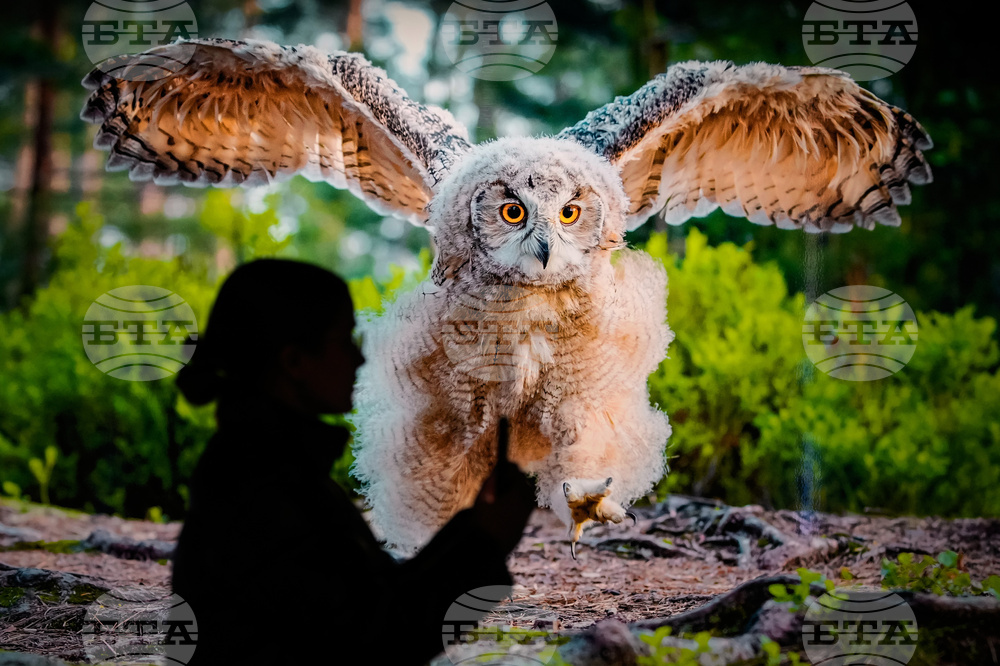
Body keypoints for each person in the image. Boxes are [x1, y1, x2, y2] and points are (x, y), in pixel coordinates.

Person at [171, 259, 535, 665]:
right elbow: (379, 642)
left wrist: (476, 529)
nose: (359, 360)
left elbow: (372, 601)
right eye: (345, 341)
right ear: (295, 363)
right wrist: (485, 544)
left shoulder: (264, 466)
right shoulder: (262, 490)